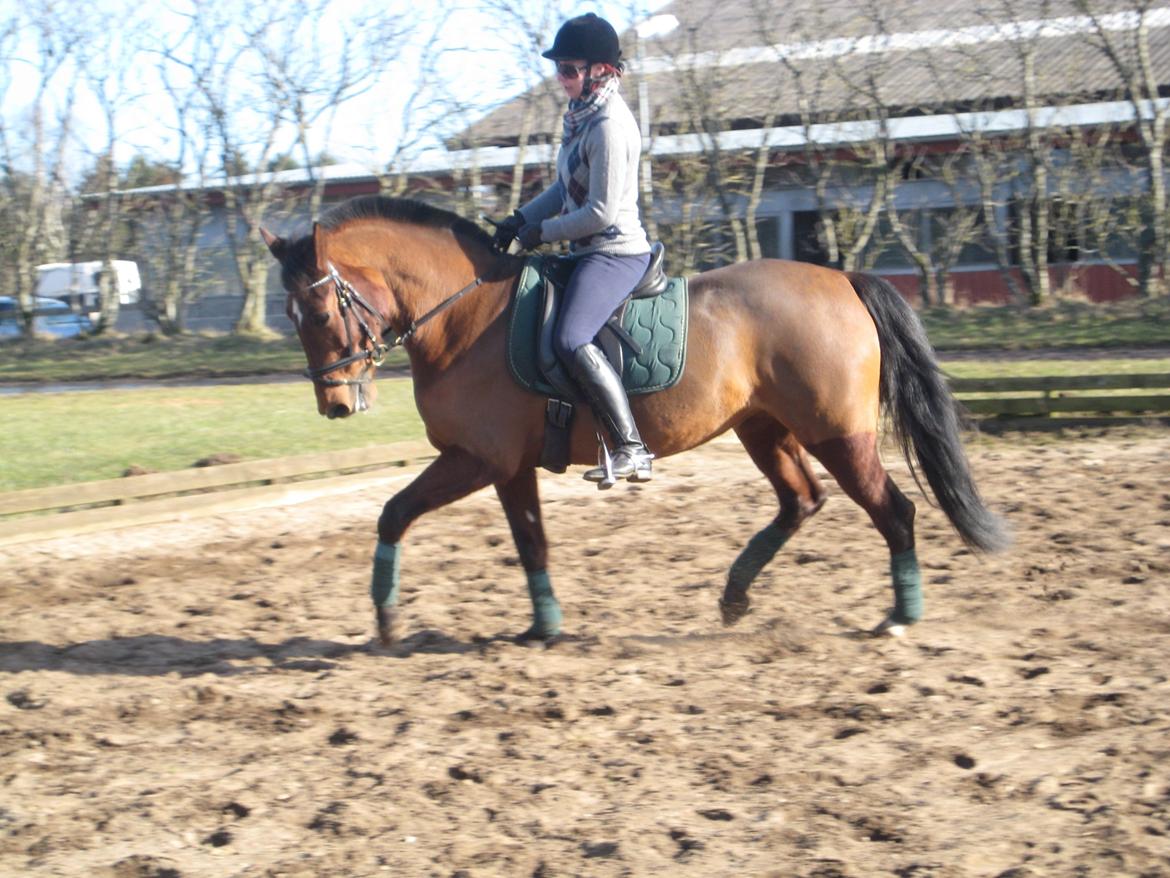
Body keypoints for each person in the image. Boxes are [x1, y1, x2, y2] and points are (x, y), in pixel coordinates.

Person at [492, 12, 654, 485]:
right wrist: (520, 218)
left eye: (568, 69)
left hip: (615, 252)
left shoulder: (608, 126)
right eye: (558, 69)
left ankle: (631, 446)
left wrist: (539, 234)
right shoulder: (582, 118)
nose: (560, 79)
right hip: (585, 250)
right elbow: (564, 191)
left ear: (599, 71)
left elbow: (599, 213)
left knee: (569, 337)